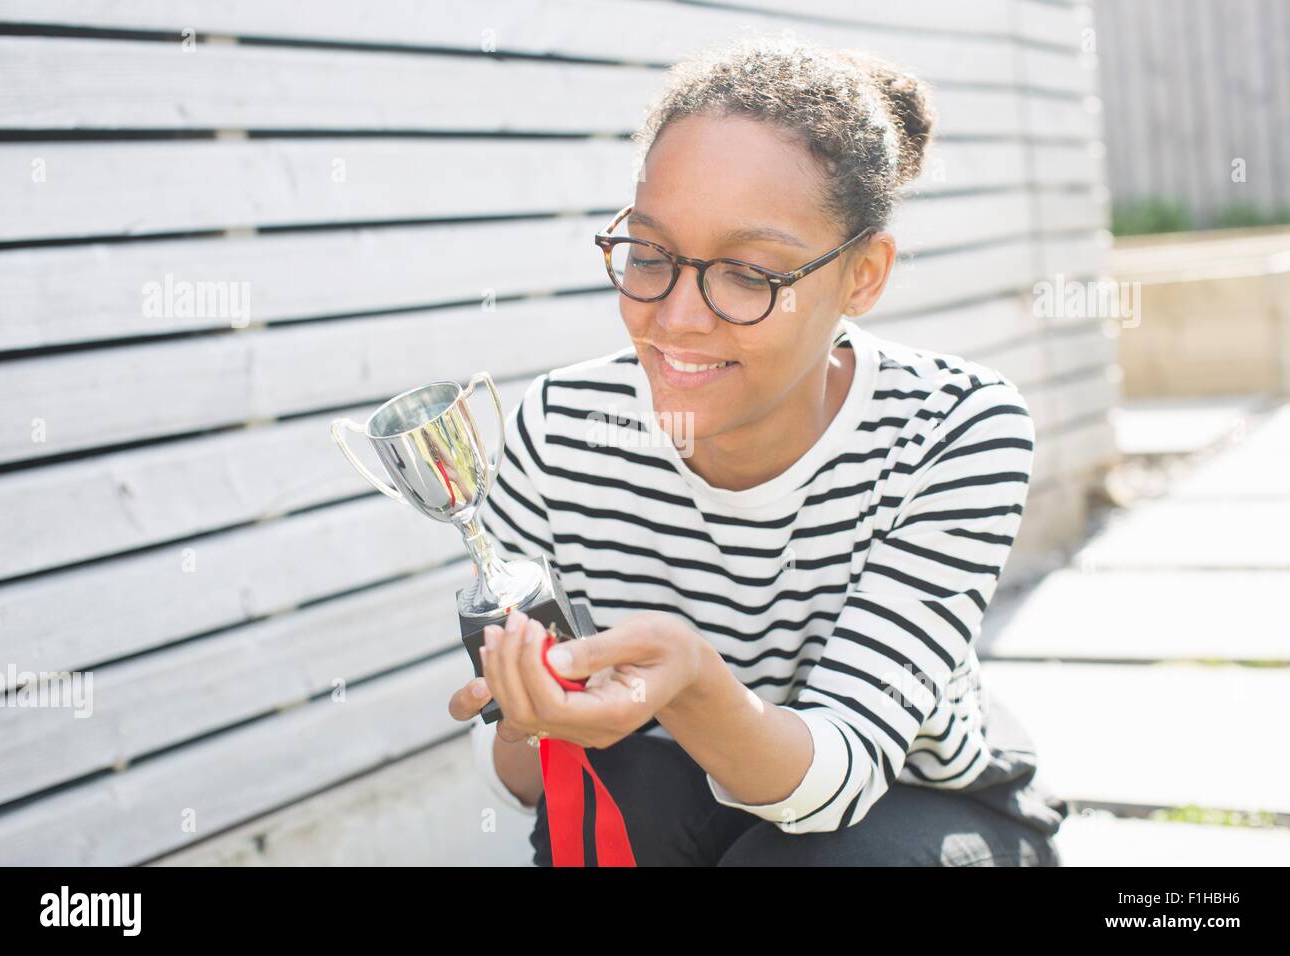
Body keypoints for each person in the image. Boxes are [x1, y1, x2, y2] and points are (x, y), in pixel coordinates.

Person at [447, 33, 1069, 866]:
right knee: (612, 802)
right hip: (682, 786)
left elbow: (847, 770)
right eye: (650, 254)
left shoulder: (952, 427)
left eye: (749, 273)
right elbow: (527, 787)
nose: (676, 318)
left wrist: (698, 685)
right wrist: (536, 720)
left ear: (864, 277)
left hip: (922, 804)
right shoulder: (562, 427)